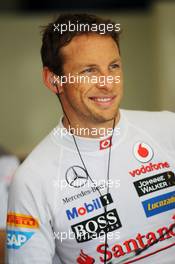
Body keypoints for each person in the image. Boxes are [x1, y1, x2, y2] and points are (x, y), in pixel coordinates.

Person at [6, 13, 175, 264]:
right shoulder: (33, 179)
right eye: (89, 70)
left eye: (113, 66)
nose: (108, 83)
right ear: (54, 80)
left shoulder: (168, 128)